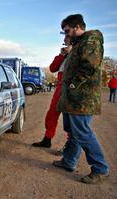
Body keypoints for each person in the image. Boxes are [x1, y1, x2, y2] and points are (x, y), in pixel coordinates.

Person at [54, 14, 109, 184]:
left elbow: (89, 66)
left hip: (82, 98)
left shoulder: (91, 38)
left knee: (82, 132)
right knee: (73, 132)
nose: (66, 34)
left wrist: (73, 85)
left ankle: (100, 168)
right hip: (73, 98)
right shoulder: (77, 44)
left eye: (67, 30)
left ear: (77, 27)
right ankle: (69, 161)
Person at [32, 35, 72, 151]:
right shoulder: (63, 53)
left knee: (69, 117)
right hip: (60, 85)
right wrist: (62, 55)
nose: (64, 40)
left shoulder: (79, 51)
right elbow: (53, 68)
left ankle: (69, 146)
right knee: (52, 113)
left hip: (71, 87)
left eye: (66, 36)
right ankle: (47, 139)